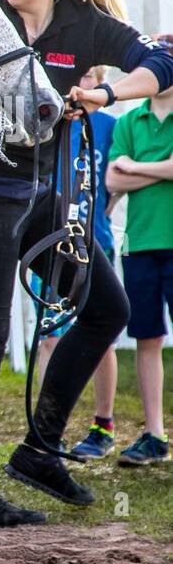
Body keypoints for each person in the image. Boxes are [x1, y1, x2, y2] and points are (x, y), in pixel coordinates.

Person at [0, 0, 173, 525]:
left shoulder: (83, 24)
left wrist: (107, 95)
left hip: (35, 194)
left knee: (106, 310)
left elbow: (159, 64)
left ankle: (40, 448)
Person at [32, 66, 120, 458]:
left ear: (98, 82)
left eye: (88, 78)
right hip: (50, 241)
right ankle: (47, 426)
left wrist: (96, 217)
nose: (79, 87)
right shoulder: (47, 123)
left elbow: (112, 184)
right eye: (75, 79)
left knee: (102, 327)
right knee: (49, 335)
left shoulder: (108, 126)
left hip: (93, 241)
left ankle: (103, 422)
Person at [105, 34, 173, 467]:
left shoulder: (130, 134)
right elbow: (112, 181)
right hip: (140, 246)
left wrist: (135, 167)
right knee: (147, 338)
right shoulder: (130, 121)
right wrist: (162, 171)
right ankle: (154, 435)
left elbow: (124, 171)